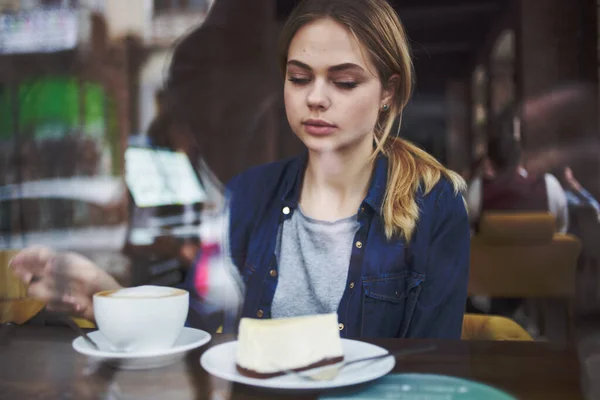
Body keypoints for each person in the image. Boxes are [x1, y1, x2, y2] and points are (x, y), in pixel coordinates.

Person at [9, 0, 469, 339]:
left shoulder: (434, 206)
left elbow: (431, 369)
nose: (316, 97)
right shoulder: (250, 194)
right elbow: (198, 331)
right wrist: (104, 294)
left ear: (388, 92)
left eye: (344, 81)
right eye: (299, 77)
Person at [466, 133, 569, 233]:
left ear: (489, 162)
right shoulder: (549, 185)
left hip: (491, 250)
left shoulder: (479, 189)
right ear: (520, 158)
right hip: (539, 250)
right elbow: (561, 228)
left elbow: (465, 229)